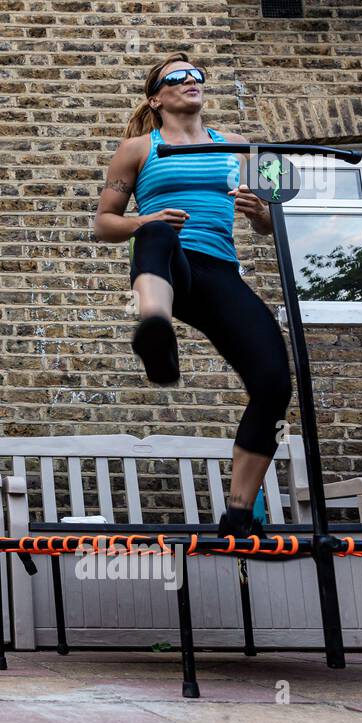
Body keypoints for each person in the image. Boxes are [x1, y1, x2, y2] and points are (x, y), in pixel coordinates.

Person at [92, 52, 290, 538]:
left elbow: (275, 218)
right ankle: (155, 327)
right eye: (175, 78)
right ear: (156, 98)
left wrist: (259, 214)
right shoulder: (139, 149)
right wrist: (143, 219)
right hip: (166, 265)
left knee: (273, 382)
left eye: (195, 75)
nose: (189, 81)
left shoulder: (241, 147)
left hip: (220, 275)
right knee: (158, 231)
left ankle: (239, 515)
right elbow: (104, 223)